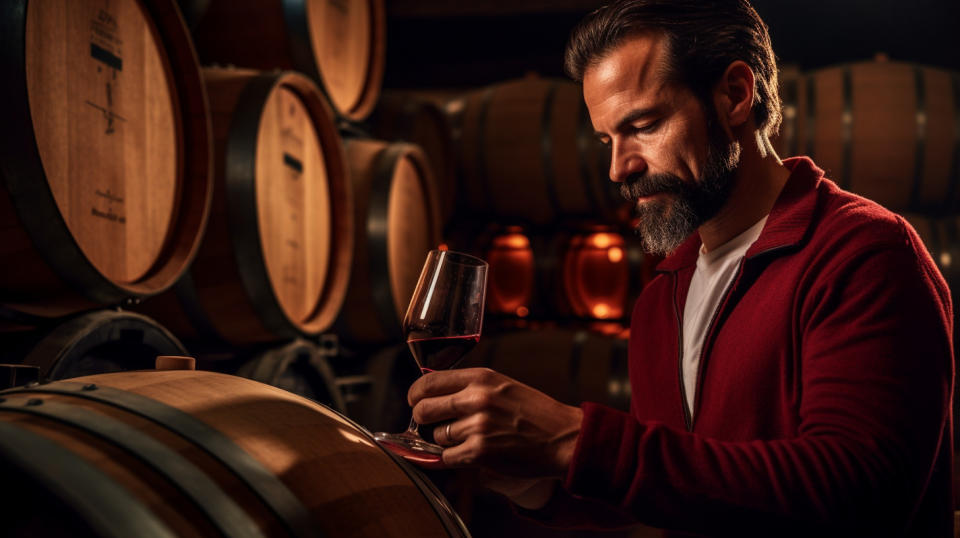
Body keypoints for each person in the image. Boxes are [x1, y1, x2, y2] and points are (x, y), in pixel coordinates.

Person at [407, 0, 955, 535]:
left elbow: (861, 496)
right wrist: (533, 478)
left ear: (736, 95)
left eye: (643, 125)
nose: (619, 168)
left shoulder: (862, 253)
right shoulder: (664, 294)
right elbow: (680, 490)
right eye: (606, 139)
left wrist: (571, 439)